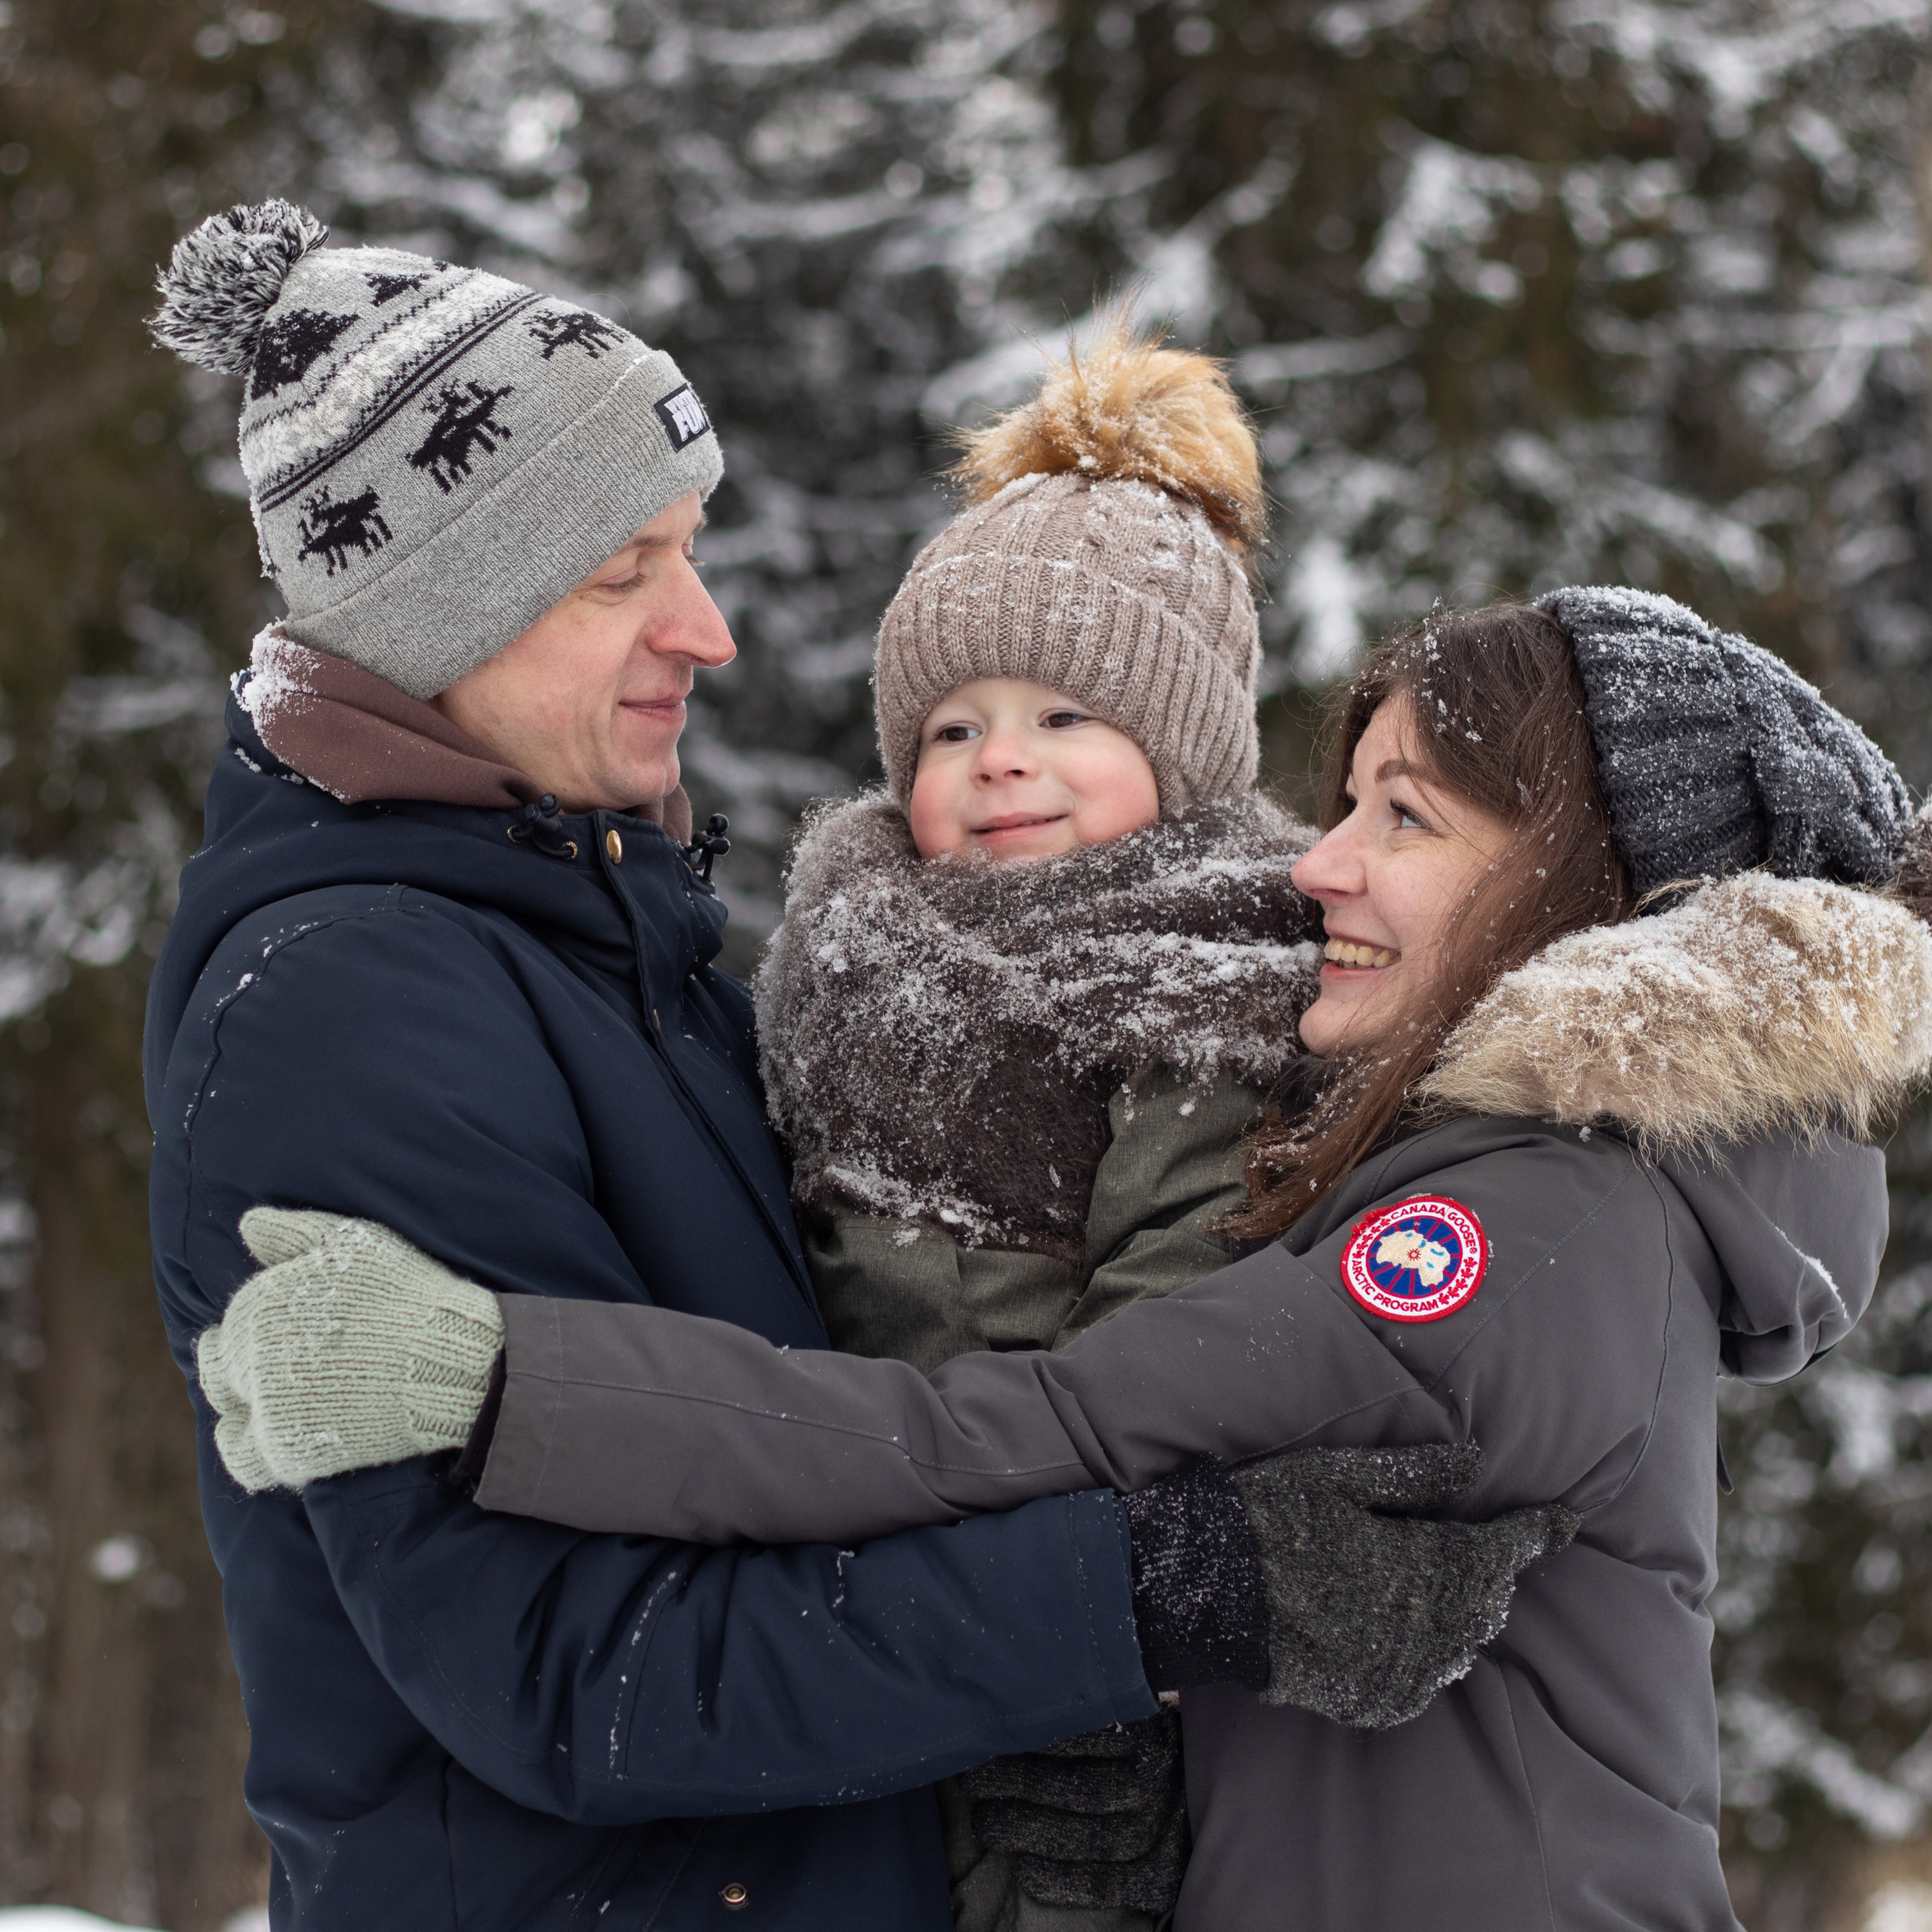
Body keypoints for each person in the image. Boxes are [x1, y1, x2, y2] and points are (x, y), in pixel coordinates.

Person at [146, 202, 1559, 1932]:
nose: (707, 629)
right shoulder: (350, 1007)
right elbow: (583, 1665)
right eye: (624, 573)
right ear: (444, 609)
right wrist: (1140, 1589)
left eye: (689, 551)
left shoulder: (608, 945)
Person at [209, 589, 1932, 1927]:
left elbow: (1021, 1436)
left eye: (1404, 818)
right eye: (1345, 801)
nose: (1320, 861)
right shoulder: (1539, 1182)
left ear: (1584, 884)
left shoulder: (1510, 1231)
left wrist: (496, 1378)